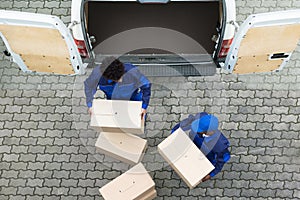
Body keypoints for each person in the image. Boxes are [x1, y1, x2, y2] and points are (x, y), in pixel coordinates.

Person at [84, 56, 151, 119]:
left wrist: (144, 107)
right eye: (117, 79)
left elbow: (146, 85)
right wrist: (90, 105)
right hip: (113, 100)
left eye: (121, 76)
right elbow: (89, 87)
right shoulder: (97, 75)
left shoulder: (132, 71)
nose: (121, 80)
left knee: (139, 117)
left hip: (133, 98)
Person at [171, 112, 230, 182]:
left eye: (199, 130)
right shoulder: (201, 118)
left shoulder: (220, 145)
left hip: (206, 157)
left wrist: (211, 174)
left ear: (210, 132)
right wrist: (174, 132)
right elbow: (187, 123)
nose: (196, 130)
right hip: (194, 146)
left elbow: (221, 161)